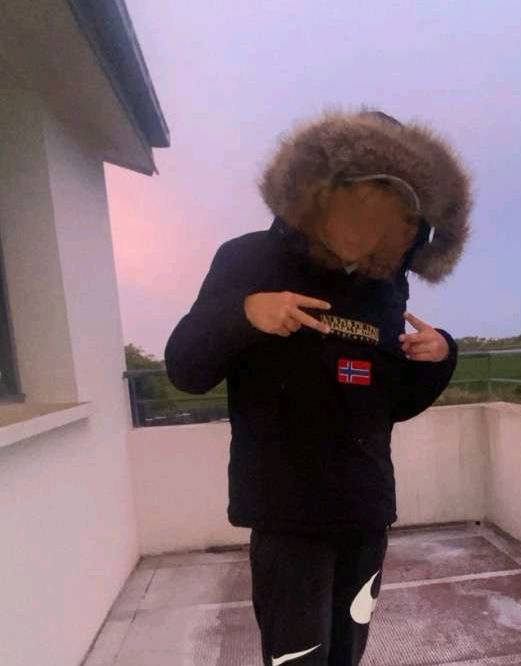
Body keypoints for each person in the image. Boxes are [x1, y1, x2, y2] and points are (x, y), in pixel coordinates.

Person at [164, 109, 471, 666]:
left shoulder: (386, 284)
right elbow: (185, 368)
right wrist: (247, 313)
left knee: (347, 654)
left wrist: (438, 357)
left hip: (365, 509)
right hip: (286, 515)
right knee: (297, 659)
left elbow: (389, 404)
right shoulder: (248, 257)